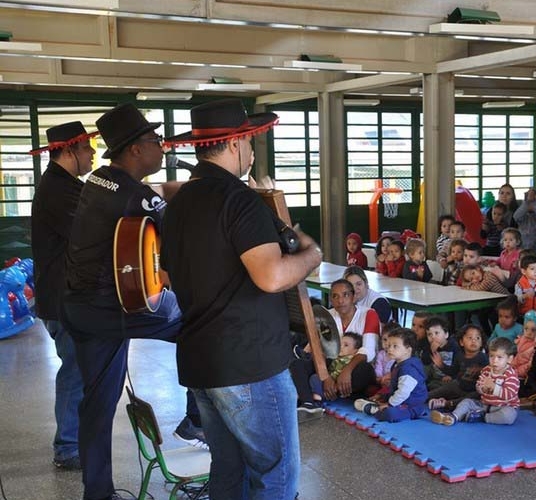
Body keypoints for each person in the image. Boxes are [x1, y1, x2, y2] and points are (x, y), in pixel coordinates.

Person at [160, 99, 321, 500]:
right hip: (249, 363)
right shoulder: (239, 199)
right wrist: (311, 255)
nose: (251, 150)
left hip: (202, 359)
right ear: (236, 143)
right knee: (275, 472)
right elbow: (271, 276)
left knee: (228, 469)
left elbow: (166, 275)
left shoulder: (179, 203)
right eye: (250, 141)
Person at [59, 104, 202, 500]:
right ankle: (195, 420)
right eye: (155, 141)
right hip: (115, 308)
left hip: (81, 308)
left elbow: (148, 200)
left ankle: (98, 493)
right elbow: (177, 228)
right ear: (135, 150)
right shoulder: (133, 195)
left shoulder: (98, 182)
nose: (161, 147)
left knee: (97, 404)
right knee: (204, 326)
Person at [30, 121, 98, 471]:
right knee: (74, 370)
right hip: (62, 298)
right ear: (69, 151)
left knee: (78, 370)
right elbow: (91, 233)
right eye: (87, 148)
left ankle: (73, 442)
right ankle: (68, 447)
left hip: (62, 296)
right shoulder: (60, 190)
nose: (92, 154)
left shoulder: (65, 185)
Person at [291, 279, 379, 409]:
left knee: (364, 371)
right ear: (330, 300)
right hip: (331, 365)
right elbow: (319, 349)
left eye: (345, 295)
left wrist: (347, 371)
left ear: (353, 297)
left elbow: (369, 351)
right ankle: (308, 402)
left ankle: (319, 391)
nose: (340, 300)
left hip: (355, 366)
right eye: (335, 296)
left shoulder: (368, 314)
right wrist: (326, 377)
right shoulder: (326, 315)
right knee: (297, 365)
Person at [431, 337, 520, 426]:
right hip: (484, 405)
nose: (494, 361)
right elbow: (478, 386)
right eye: (492, 356)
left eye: (499, 357)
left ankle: (483, 417)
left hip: (503, 407)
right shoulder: (486, 370)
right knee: (467, 402)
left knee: (508, 415)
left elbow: (509, 394)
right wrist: (481, 388)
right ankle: (453, 417)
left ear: (509, 359)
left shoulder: (510, 374)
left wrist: (494, 387)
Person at [353, 328, 428, 423]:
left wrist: (390, 404)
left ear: (408, 350)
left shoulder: (409, 369)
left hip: (411, 405)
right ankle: (377, 404)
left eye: (395, 346)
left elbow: (403, 392)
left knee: (390, 414)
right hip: (399, 398)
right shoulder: (398, 363)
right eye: (389, 346)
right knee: (379, 395)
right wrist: (383, 396)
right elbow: (395, 387)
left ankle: (377, 409)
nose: (389, 349)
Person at [427, 324, 488, 408]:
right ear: (461, 342)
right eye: (470, 338)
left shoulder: (483, 357)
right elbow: (453, 371)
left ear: (481, 343)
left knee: (474, 396)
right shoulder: (459, 355)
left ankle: (447, 403)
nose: (474, 341)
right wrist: (441, 365)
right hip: (459, 385)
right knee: (441, 390)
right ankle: (420, 398)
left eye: (477, 338)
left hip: (472, 390)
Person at [309, 332, 362, 402]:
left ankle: (320, 396)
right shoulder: (337, 358)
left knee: (315, 378)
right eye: (340, 344)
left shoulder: (348, 360)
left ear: (355, 351)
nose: (341, 347)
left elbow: (338, 371)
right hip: (330, 380)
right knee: (314, 377)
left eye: (346, 345)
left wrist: (329, 377)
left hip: (338, 383)